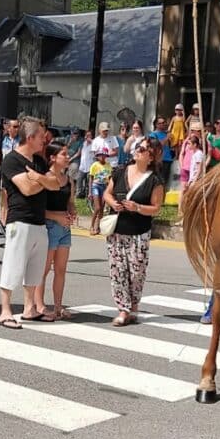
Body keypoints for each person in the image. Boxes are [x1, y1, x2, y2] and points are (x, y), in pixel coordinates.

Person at [0, 118, 61, 328]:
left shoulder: (39, 162)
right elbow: (27, 189)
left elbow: (56, 183)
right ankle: (5, 310)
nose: (45, 140)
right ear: (30, 137)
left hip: (39, 222)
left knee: (35, 267)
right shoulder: (11, 160)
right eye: (42, 136)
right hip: (20, 220)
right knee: (13, 265)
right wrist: (42, 181)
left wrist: (38, 178)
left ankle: (29, 308)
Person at [102, 137, 165, 326]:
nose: (138, 150)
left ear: (151, 157)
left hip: (139, 232)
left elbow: (156, 208)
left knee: (136, 272)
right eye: (138, 147)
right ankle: (123, 309)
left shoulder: (155, 180)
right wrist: (112, 202)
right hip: (117, 230)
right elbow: (107, 193)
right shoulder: (120, 171)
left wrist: (137, 207)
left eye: (143, 149)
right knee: (118, 271)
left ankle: (134, 306)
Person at [38, 142, 77, 320]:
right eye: (64, 154)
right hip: (50, 226)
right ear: (53, 157)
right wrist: (57, 217)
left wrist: (72, 211)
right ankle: (39, 305)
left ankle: (58, 306)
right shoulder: (46, 178)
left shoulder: (68, 180)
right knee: (43, 270)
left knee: (61, 270)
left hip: (64, 228)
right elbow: (39, 209)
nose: (67, 157)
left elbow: (70, 202)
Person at [88, 147, 113, 235]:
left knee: (102, 208)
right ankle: (91, 226)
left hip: (104, 187)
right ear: (98, 156)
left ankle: (97, 226)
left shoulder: (108, 165)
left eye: (104, 155)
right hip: (96, 186)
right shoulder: (95, 165)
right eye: (100, 155)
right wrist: (90, 192)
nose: (102, 157)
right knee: (97, 207)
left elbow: (109, 179)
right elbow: (91, 178)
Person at [77, 129, 95, 199]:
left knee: (88, 182)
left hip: (90, 166)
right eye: (86, 135)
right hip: (82, 166)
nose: (86, 137)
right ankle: (79, 193)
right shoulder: (84, 143)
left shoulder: (94, 144)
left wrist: (92, 141)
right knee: (79, 179)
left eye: (88, 135)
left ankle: (87, 195)